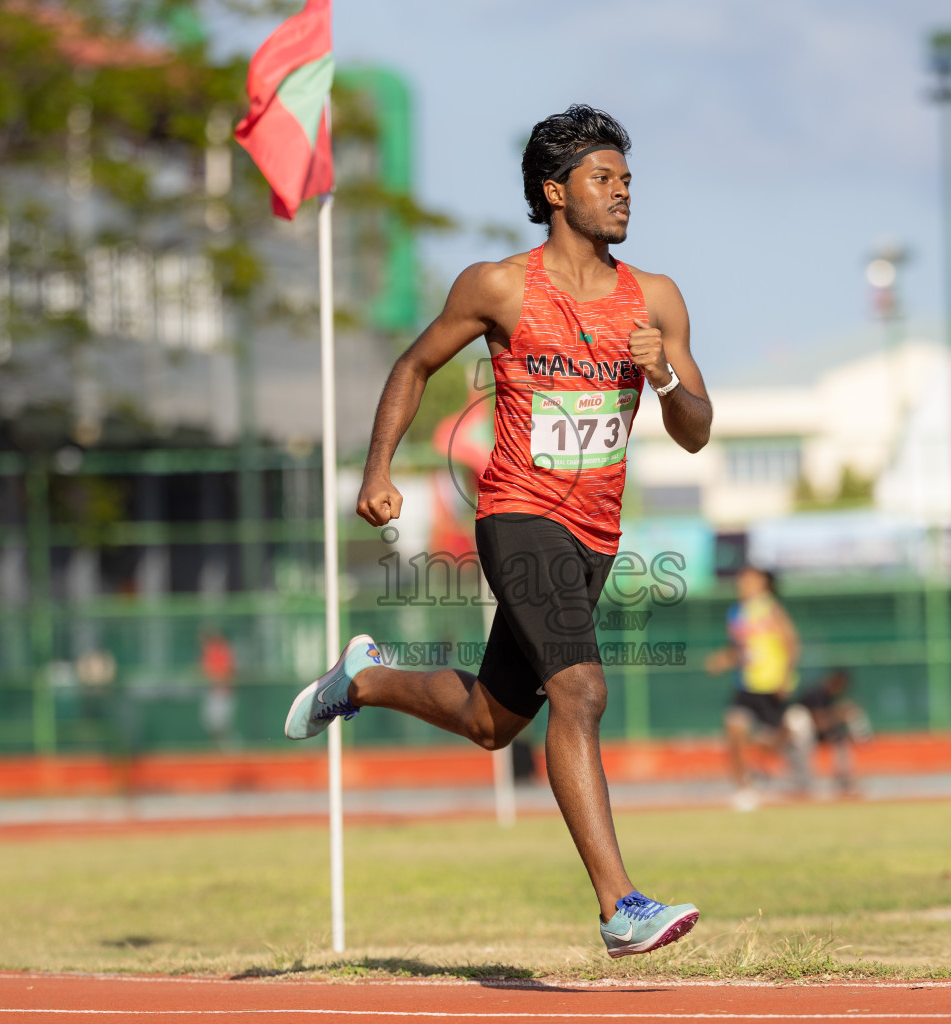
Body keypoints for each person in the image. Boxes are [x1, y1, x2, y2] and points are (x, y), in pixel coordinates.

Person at [283, 105, 713, 958]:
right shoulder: (499, 287)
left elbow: (696, 430)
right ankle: (620, 907)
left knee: (492, 720)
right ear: (555, 192)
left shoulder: (654, 299)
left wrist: (662, 375)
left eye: (627, 180)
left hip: (595, 535)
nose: (622, 194)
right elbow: (414, 365)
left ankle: (364, 679)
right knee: (581, 692)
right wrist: (376, 471)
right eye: (603, 178)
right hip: (518, 515)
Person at [705, 566, 800, 811]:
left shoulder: (770, 608)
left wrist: (785, 678)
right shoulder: (735, 613)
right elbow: (739, 649)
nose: (742, 583)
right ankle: (745, 790)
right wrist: (723, 659)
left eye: (748, 579)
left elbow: (791, 641)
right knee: (733, 729)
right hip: (746, 685)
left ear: (762, 583)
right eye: (741, 579)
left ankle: (793, 728)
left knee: (769, 743)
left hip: (771, 685)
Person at [785, 668, 868, 798]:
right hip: (801, 734)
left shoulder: (829, 697)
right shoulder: (815, 693)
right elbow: (817, 722)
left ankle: (845, 782)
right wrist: (838, 715)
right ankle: (801, 786)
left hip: (814, 733)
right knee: (801, 744)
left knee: (840, 740)